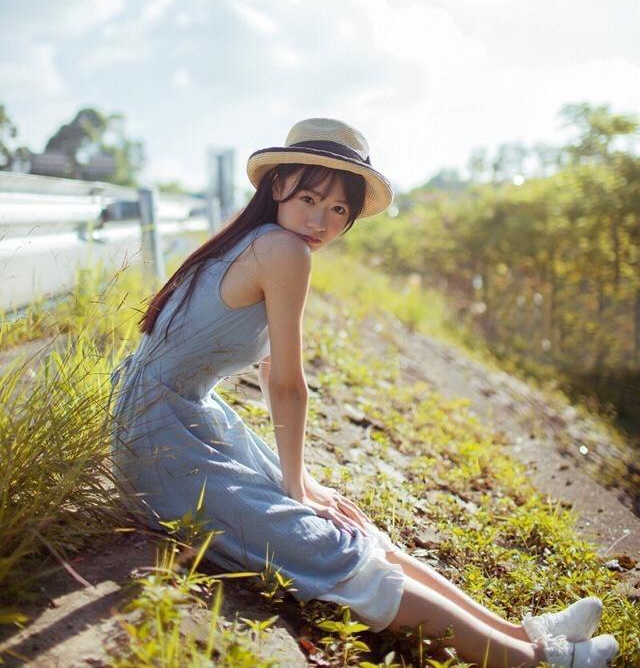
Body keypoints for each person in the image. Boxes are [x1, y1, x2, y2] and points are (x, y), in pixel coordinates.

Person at [109, 117, 618, 668]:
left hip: (176, 418)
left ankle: (522, 632)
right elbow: (286, 385)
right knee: (329, 545)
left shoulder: (250, 240)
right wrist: (296, 486)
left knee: (347, 523)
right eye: (309, 197)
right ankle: (531, 661)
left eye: (338, 211)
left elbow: (265, 361)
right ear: (277, 186)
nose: (320, 221)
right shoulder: (281, 250)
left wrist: (299, 480)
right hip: (161, 441)